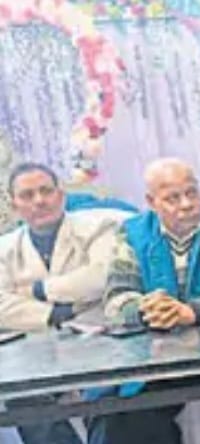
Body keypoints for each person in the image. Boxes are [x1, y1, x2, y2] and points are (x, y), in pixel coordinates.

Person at [92, 158, 200, 444]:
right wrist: (147, 309)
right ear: (151, 202)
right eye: (172, 198)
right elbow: (116, 299)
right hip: (164, 352)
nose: (186, 204)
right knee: (127, 414)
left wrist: (192, 311)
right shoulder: (132, 232)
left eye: (191, 192)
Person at [0, 162, 127, 444]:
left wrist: (36, 290)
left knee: (108, 401)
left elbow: (100, 277)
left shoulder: (101, 226)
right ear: (15, 205)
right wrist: (54, 314)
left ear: (61, 195)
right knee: (23, 398)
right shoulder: (5, 248)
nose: (39, 201)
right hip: (37, 351)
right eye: (27, 195)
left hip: (103, 343)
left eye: (46, 191)